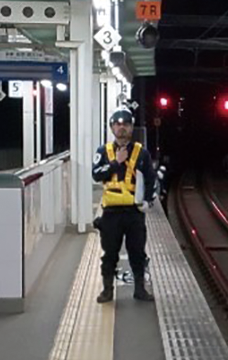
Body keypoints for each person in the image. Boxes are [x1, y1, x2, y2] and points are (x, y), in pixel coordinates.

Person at [91, 108, 157, 303]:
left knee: (137, 251)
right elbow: (96, 174)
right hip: (111, 212)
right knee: (109, 252)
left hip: (134, 212)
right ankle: (107, 290)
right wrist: (114, 164)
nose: (122, 128)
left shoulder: (141, 153)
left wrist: (148, 201)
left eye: (126, 124)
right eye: (118, 124)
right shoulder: (103, 151)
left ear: (131, 128)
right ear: (112, 127)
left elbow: (151, 180)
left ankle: (140, 289)